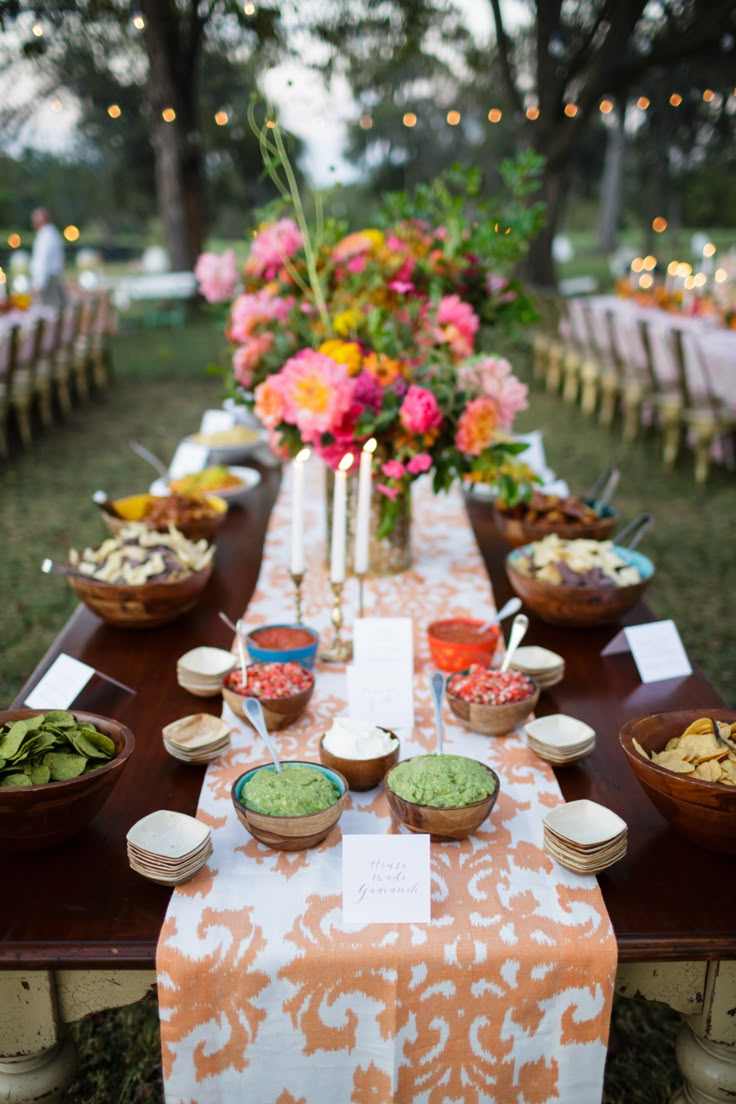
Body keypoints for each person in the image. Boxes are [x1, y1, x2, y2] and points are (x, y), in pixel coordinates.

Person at [30, 207, 66, 309]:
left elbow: (42, 261)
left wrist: (38, 284)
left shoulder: (46, 235)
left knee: (50, 314)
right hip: (52, 278)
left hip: (48, 281)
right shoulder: (52, 233)